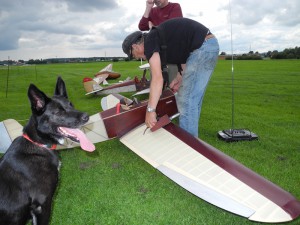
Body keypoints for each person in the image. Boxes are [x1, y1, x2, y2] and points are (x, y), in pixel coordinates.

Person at [122, 18, 219, 137]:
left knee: (187, 100)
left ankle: (188, 145)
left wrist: (150, 110)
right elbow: (184, 55)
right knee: (192, 100)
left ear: (135, 47)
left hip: (202, 48)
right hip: (207, 45)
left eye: (133, 55)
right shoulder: (157, 38)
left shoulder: (150, 41)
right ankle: (193, 140)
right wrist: (179, 77)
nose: (137, 58)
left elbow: (157, 79)